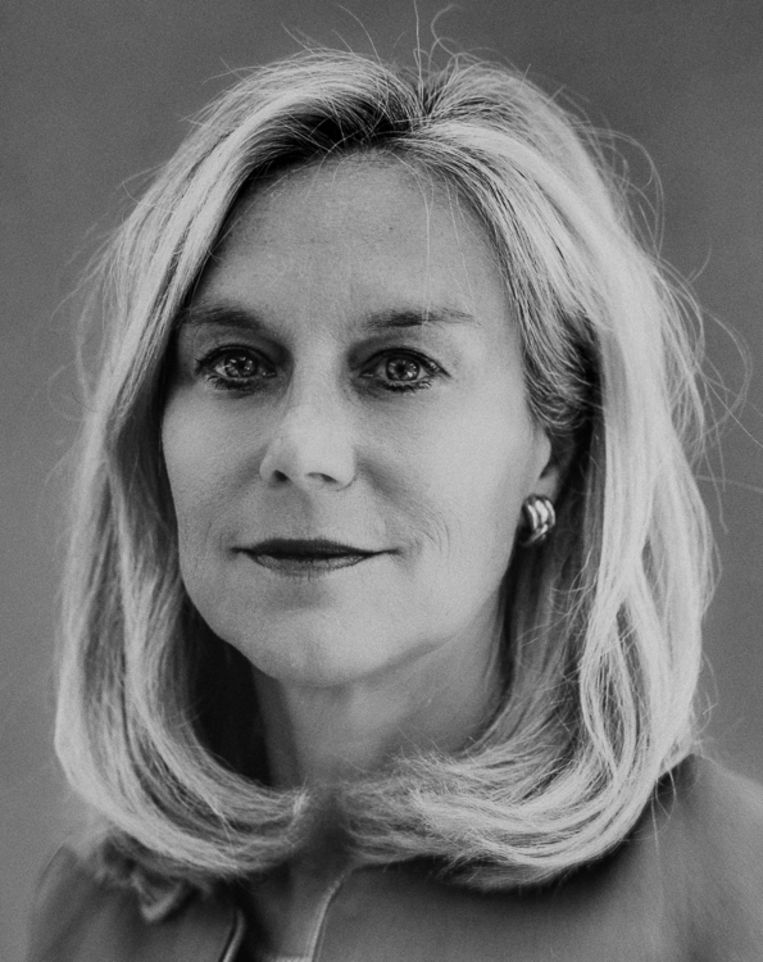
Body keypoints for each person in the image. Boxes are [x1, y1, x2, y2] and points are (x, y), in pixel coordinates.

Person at [28, 49, 763, 961]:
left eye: (401, 368)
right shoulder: (88, 918)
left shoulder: (736, 890)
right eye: (236, 363)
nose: (302, 451)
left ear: (554, 449)